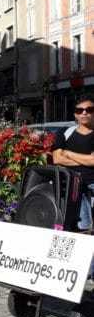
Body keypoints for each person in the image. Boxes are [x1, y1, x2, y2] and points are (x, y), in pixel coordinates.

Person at [52, 96, 94, 279]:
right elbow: (57, 158)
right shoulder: (65, 133)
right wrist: (85, 159)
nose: (84, 113)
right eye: (80, 110)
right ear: (75, 114)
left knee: (90, 230)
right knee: (79, 229)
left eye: (89, 110)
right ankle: (83, 271)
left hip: (92, 186)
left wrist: (69, 153)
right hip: (72, 187)